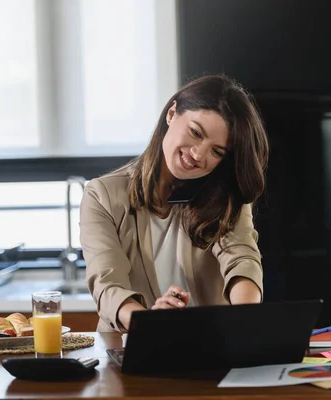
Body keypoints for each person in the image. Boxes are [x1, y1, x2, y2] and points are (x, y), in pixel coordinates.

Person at [80, 75, 269, 332]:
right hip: (132, 348)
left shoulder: (226, 194)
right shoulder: (101, 195)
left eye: (216, 151)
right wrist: (150, 325)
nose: (198, 154)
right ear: (172, 113)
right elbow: (107, 286)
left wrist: (245, 320)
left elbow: (242, 260)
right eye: (195, 133)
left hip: (211, 348)